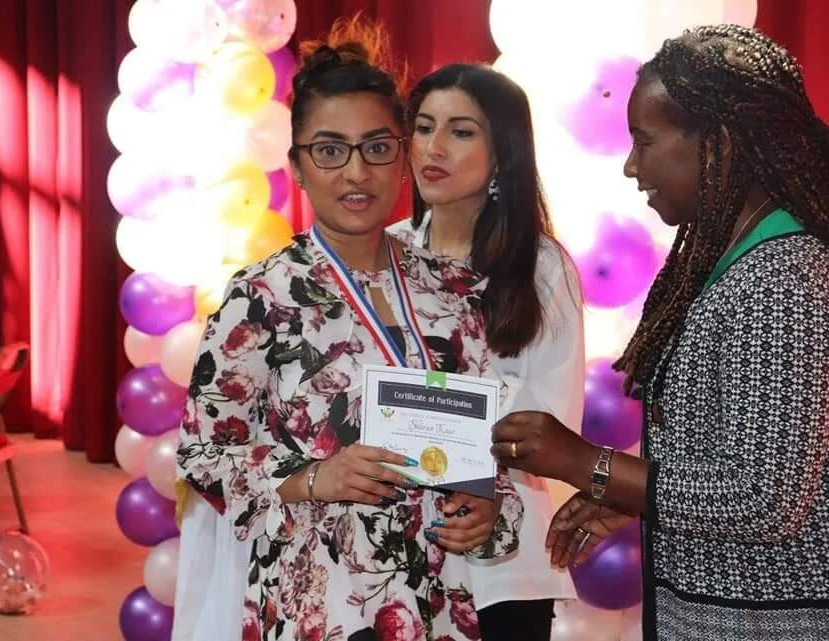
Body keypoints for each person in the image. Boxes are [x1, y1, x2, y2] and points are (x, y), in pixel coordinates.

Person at [176, 18, 520, 641]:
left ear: (403, 157)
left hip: (438, 601)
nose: (356, 172)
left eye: (377, 147)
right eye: (329, 150)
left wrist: (490, 506)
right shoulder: (260, 296)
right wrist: (313, 477)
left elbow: (489, 448)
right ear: (298, 168)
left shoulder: (451, 290)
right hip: (318, 605)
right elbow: (203, 455)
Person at [491, 24, 829, 641]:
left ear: (718, 143)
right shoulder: (731, 256)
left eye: (645, 141)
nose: (629, 164)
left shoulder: (781, 275)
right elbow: (727, 449)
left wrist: (583, 461)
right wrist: (628, 494)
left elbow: (764, 498)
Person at [388, 64, 585, 641]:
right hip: (387, 550)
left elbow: (551, 425)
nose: (435, 147)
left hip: (501, 557)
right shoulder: (384, 253)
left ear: (504, 153)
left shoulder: (543, 269)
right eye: (423, 128)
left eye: (461, 131)